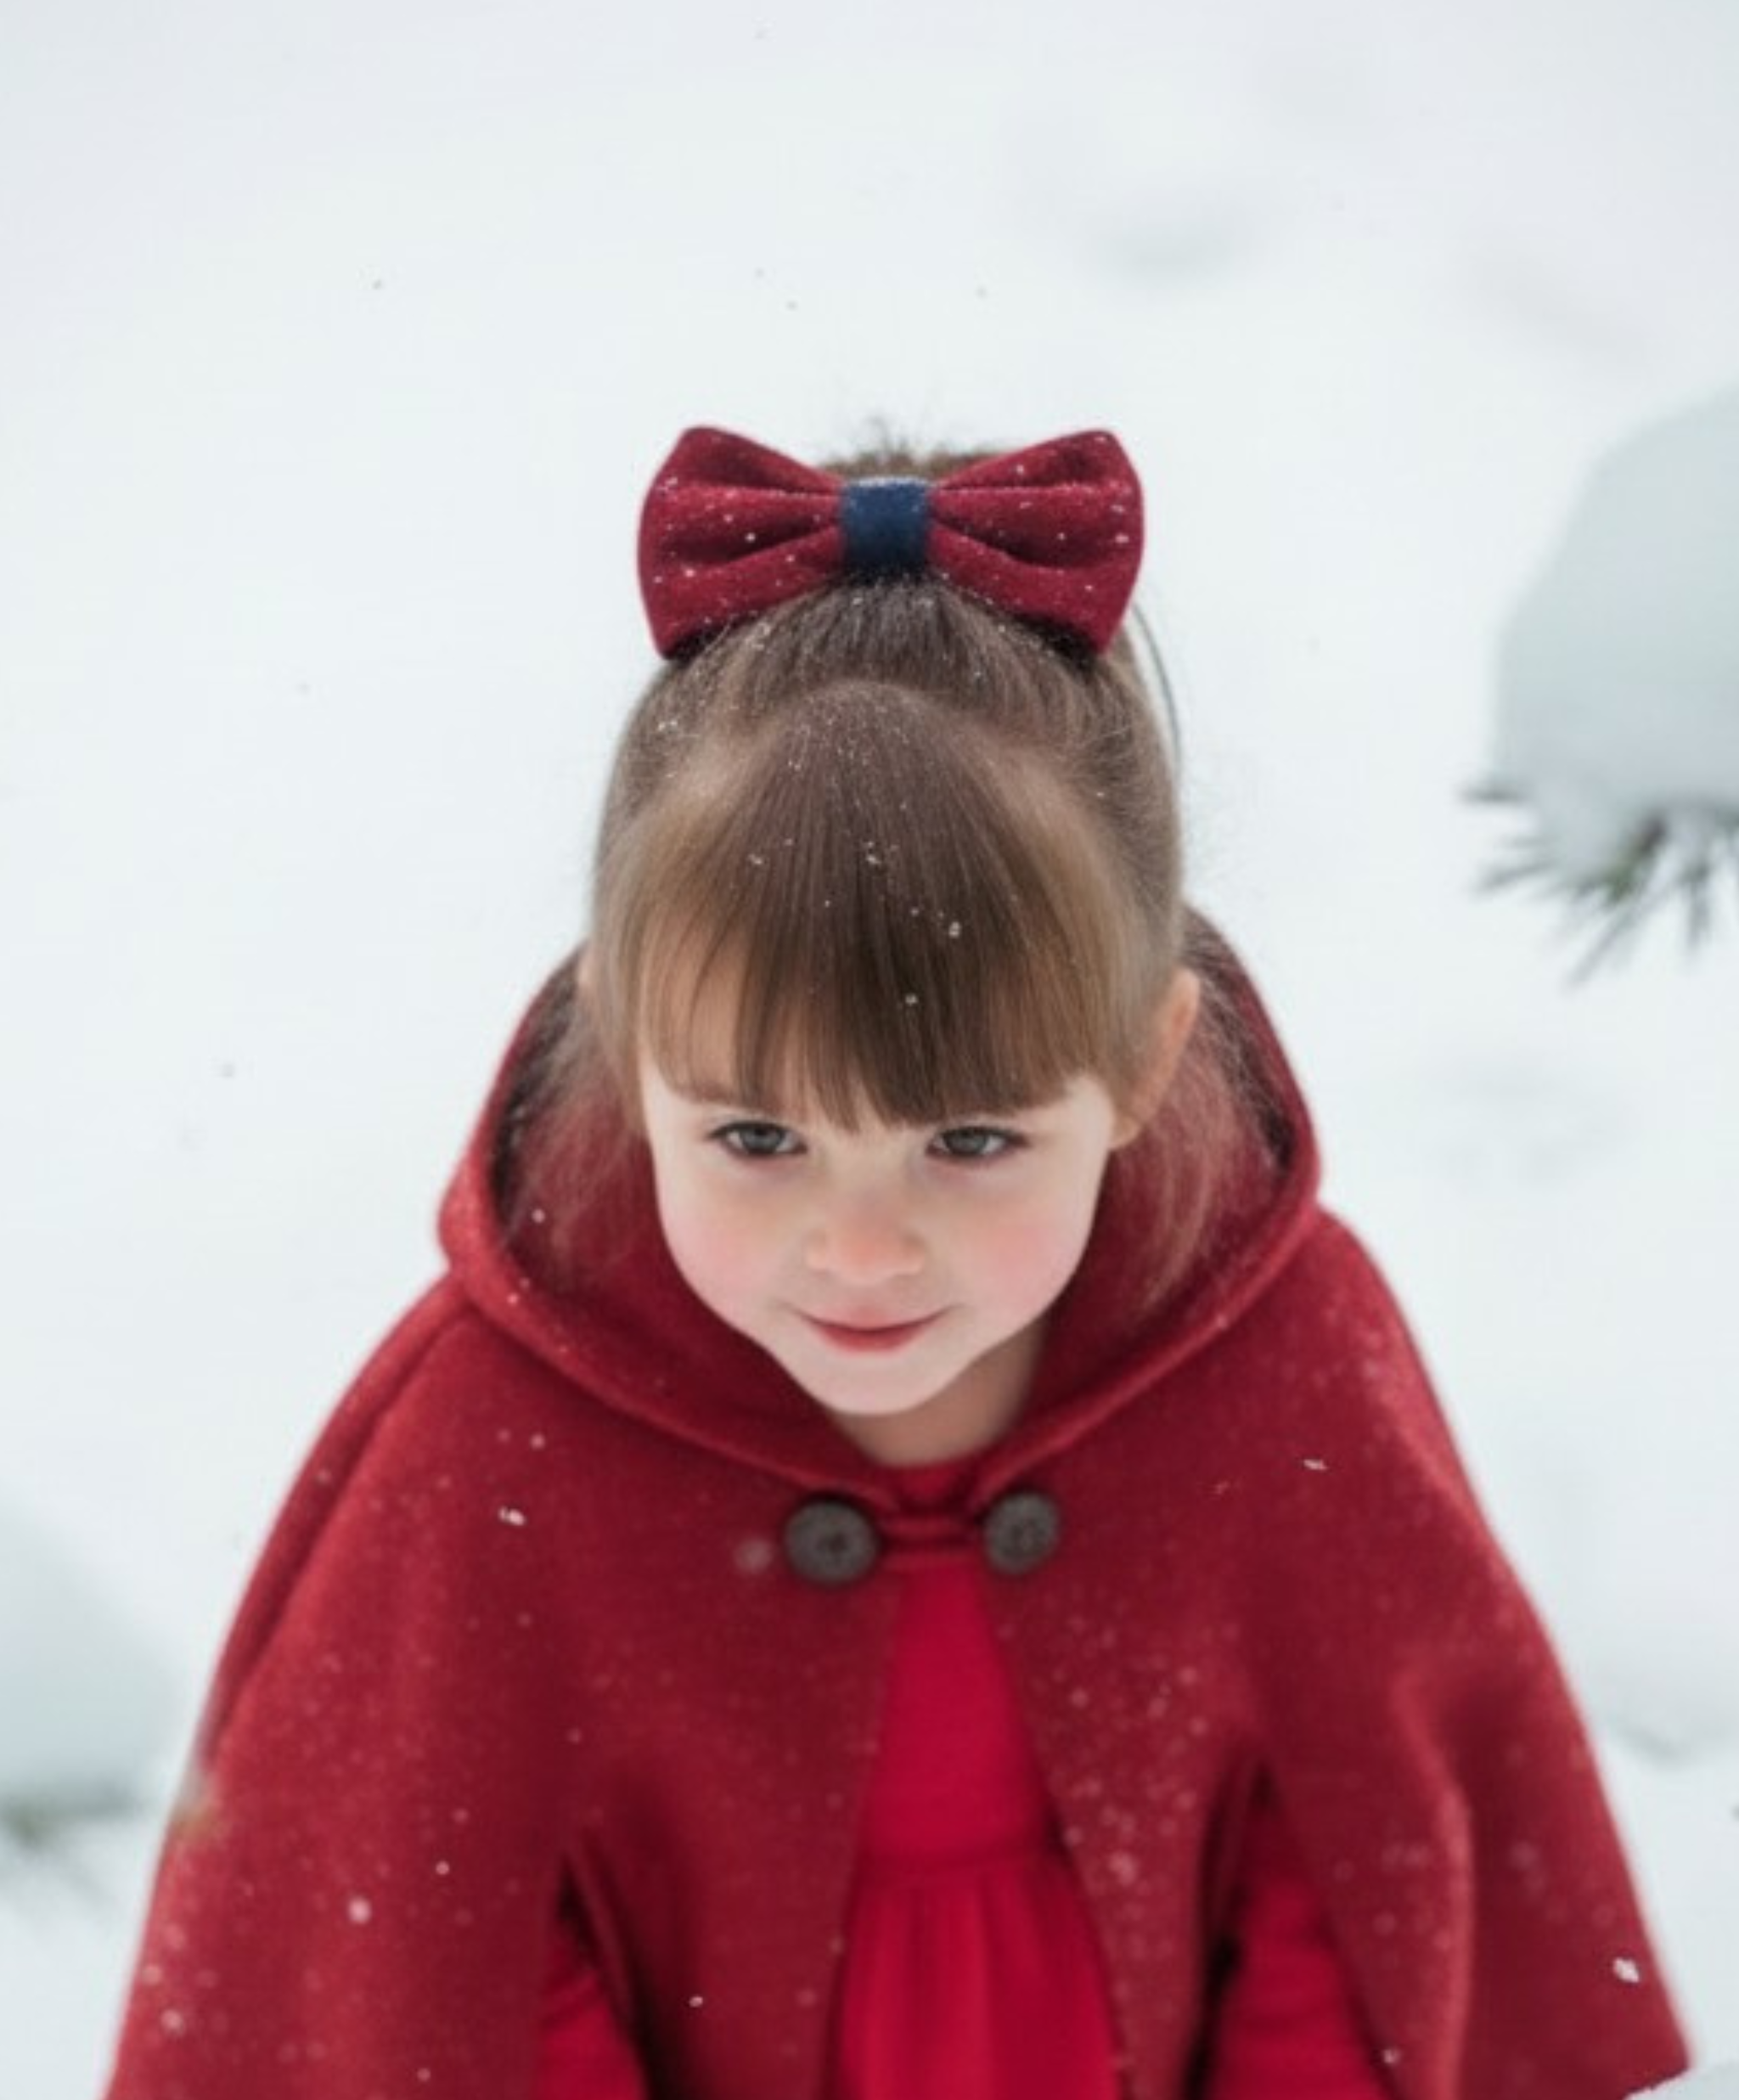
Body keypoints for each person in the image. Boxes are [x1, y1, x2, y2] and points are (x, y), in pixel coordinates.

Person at [104, 428, 1689, 2100]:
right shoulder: (490, 1441)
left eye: (974, 1141)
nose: (860, 1250)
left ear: (1145, 1061)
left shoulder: (1274, 1352)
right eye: (758, 1141)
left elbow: (1356, 1871)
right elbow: (448, 1974)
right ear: (631, 1054)